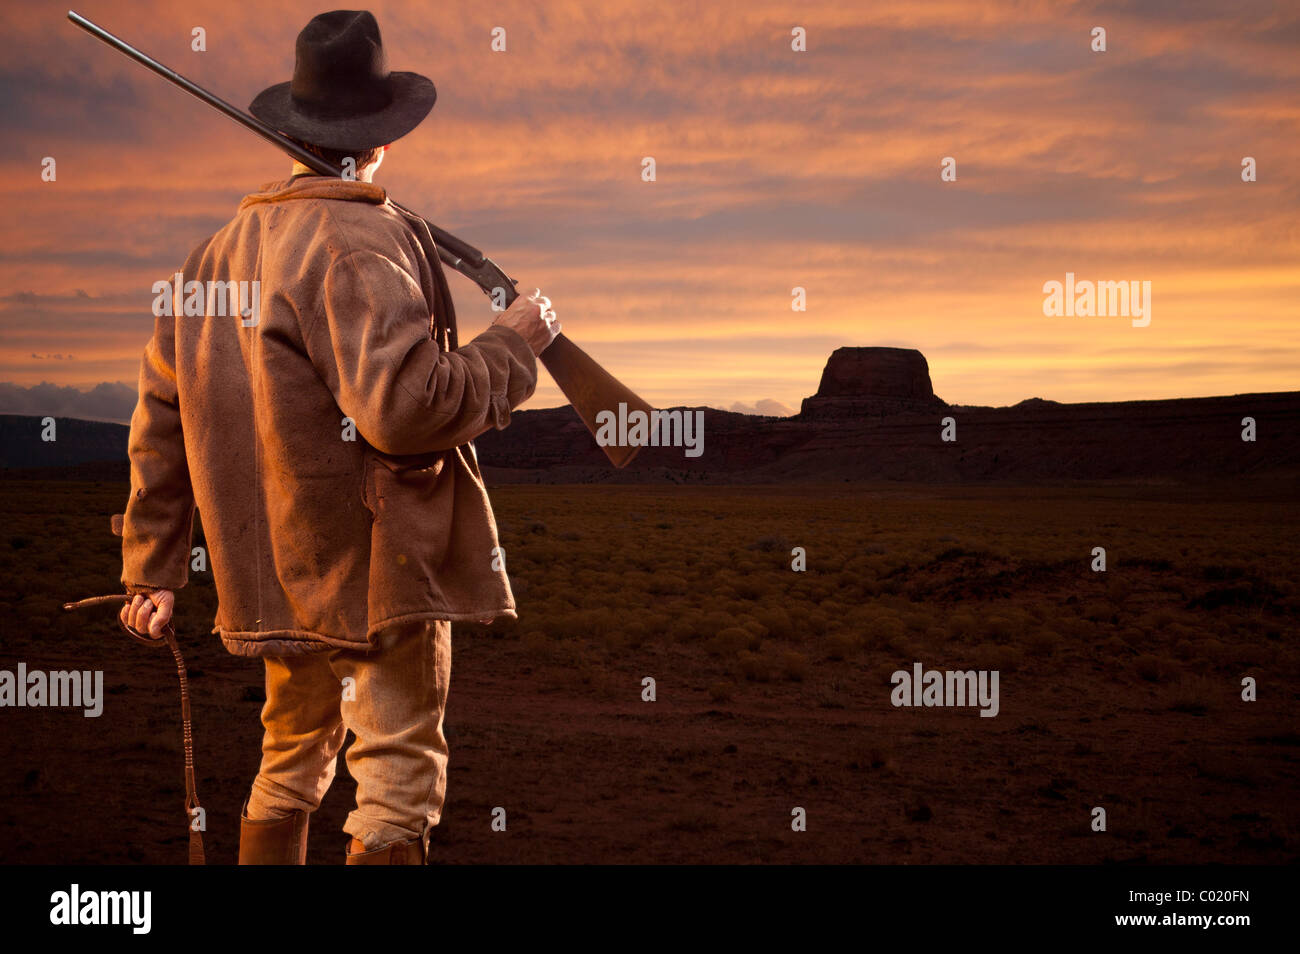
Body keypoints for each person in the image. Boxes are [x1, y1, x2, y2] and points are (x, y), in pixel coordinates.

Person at [118, 9, 558, 864]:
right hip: (377, 578)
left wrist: (153, 570)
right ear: (383, 139)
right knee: (395, 793)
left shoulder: (210, 259)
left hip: (276, 577)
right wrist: (515, 345)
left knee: (287, 767)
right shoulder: (357, 241)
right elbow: (409, 410)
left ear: (288, 131)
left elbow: (159, 424)